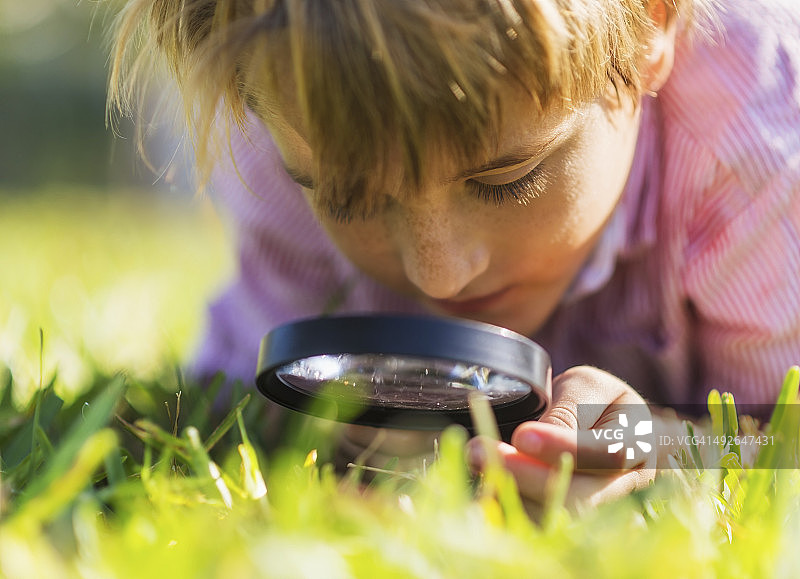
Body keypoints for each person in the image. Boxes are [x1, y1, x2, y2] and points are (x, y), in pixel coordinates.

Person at [109, 0, 800, 512]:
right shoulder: (293, 123)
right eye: (351, 200)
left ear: (651, 27)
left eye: (509, 177)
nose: (437, 272)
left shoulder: (755, 140)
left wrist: (658, 440)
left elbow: (782, 445)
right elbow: (239, 401)